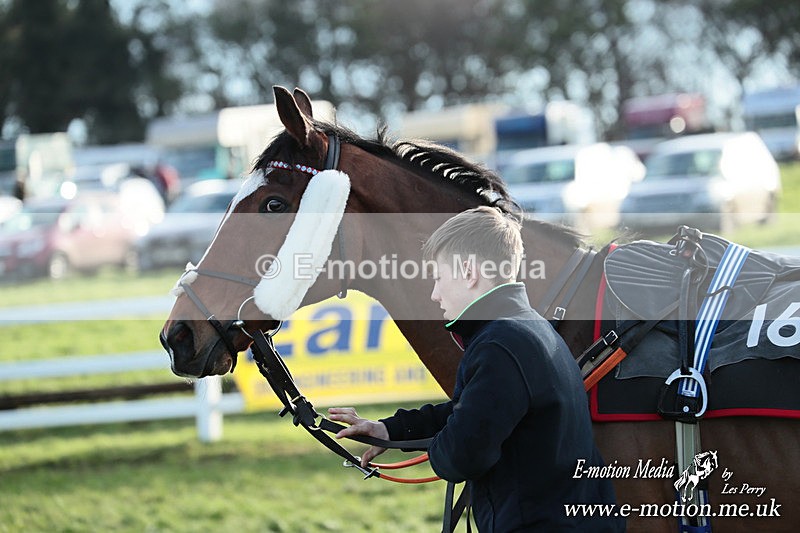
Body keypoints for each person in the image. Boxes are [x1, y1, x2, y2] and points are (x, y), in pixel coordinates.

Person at [329, 206, 622, 531]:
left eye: (439, 277)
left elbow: (461, 456)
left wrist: (444, 444)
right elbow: (474, 411)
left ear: (469, 272)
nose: (435, 294)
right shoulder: (528, 326)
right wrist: (391, 430)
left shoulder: (500, 343)